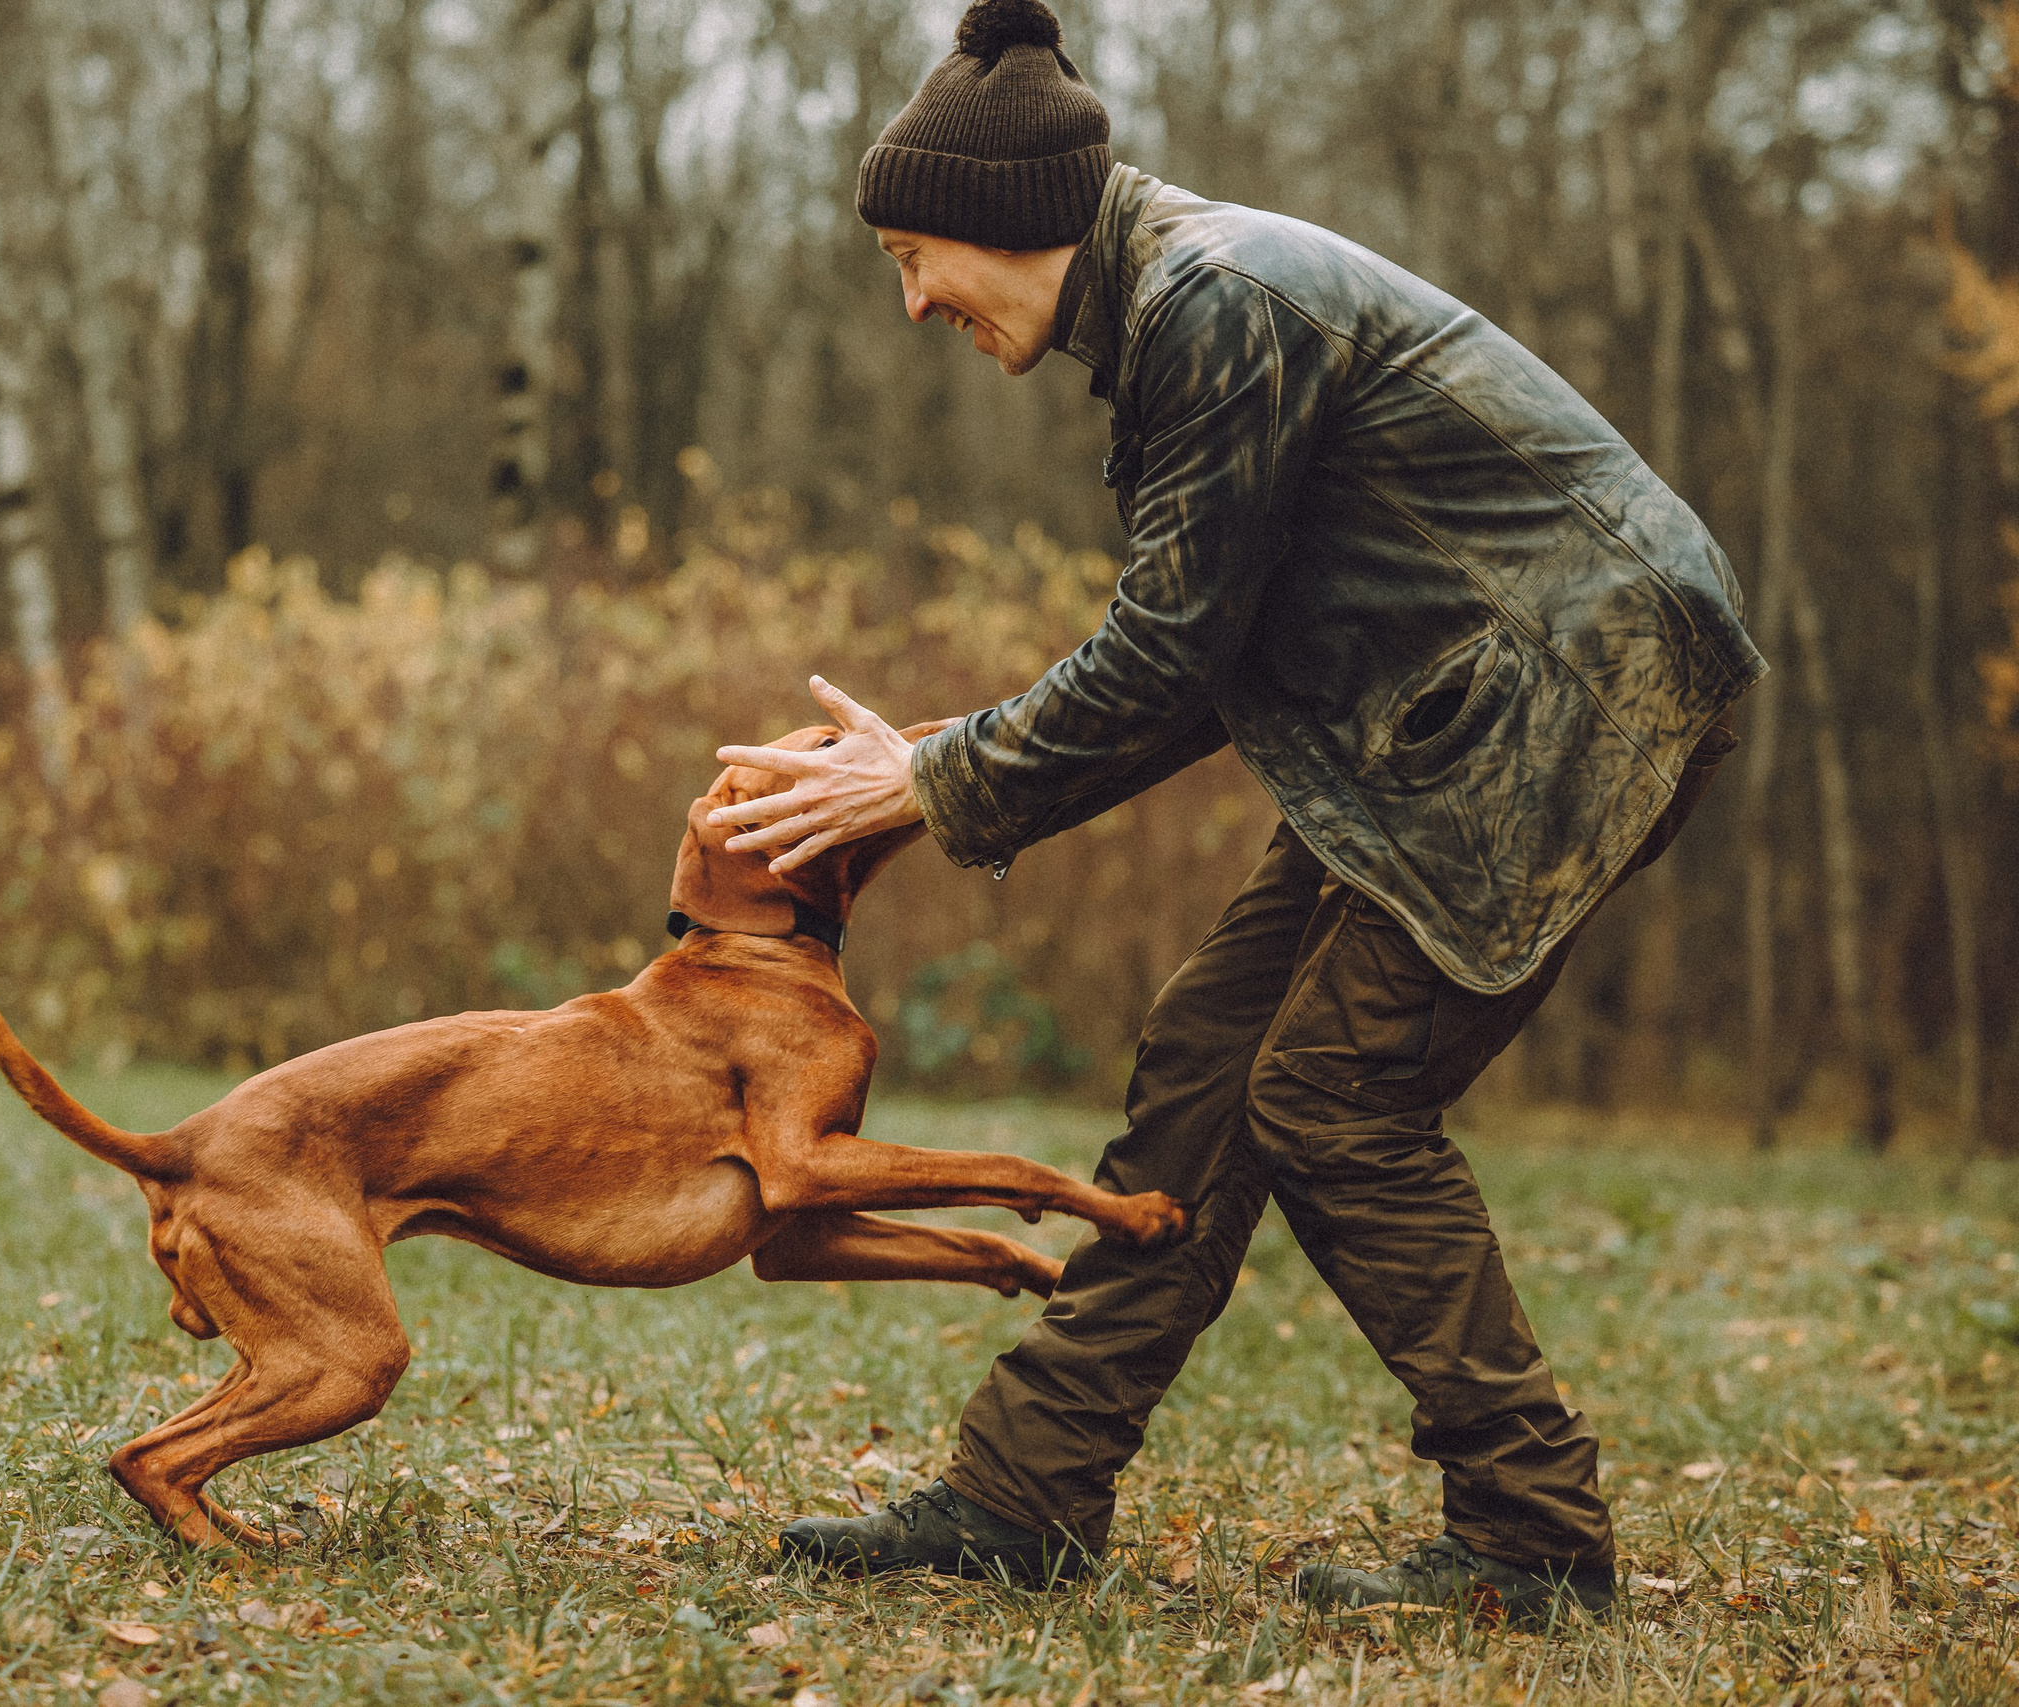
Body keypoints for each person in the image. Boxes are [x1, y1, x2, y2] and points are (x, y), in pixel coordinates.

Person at [705, 0, 1762, 1623]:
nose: (912, 300)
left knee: (1335, 1101)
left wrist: (936, 776)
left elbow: (1172, 649)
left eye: (919, 255)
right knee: (1209, 1067)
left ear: (1018, 225)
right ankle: (1023, 1494)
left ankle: (1535, 1534)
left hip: (1567, 698)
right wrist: (934, 772)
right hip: (1434, 717)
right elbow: (1204, 661)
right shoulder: (1174, 311)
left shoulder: (1217, 304)